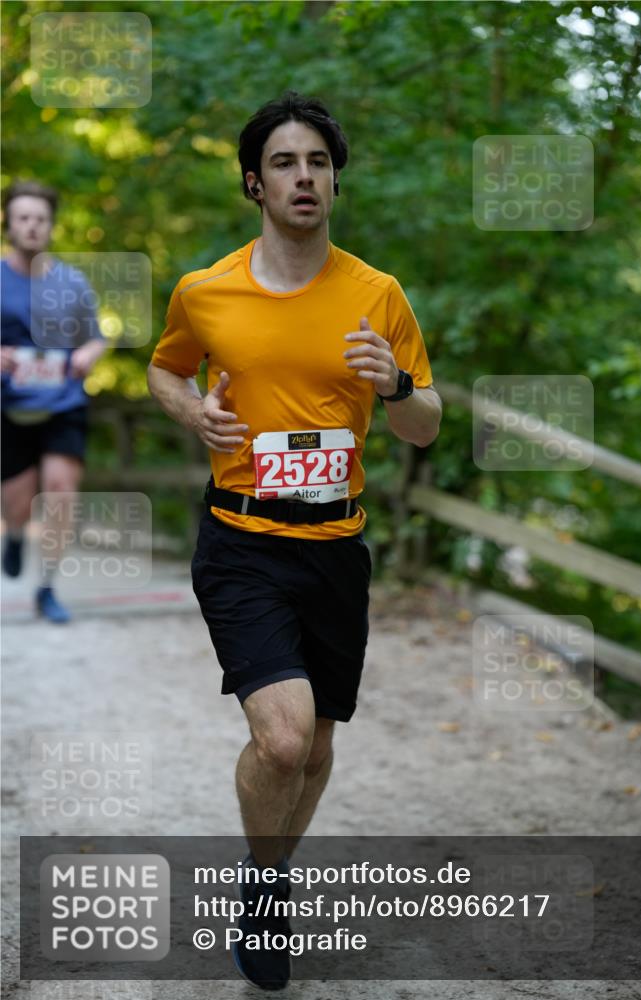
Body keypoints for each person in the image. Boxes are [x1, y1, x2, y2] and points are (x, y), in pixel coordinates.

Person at [147, 91, 441, 989]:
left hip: (336, 546)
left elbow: (424, 426)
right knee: (282, 741)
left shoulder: (375, 294)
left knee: (315, 748)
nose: (303, 175)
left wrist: (394, 385)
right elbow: (163, 366)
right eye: (284, 162)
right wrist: (194, 409)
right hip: (241, 543)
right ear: (254, 183)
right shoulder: (206, 290)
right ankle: (265, 891)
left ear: (334, 183)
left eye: (316, 161)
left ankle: (270, 875)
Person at [1, 180, 106, 623]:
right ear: (9, 223)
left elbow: (96, 338)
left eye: (40, 219)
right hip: (10, 407)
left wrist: (86, 355)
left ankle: (47, 588)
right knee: (19, 502)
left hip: (64, 402)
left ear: (50, 226)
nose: (32, 226)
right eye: (23, 217)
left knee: (61, 491)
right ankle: (15, 534)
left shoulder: (71, 282)